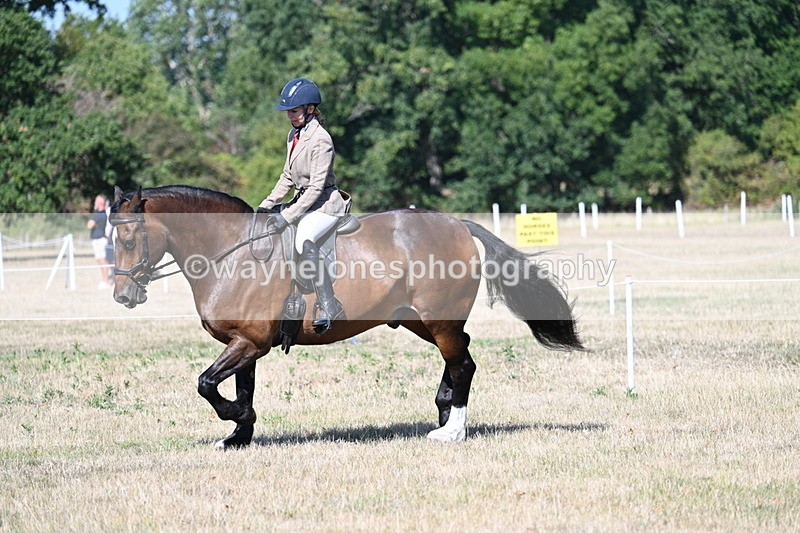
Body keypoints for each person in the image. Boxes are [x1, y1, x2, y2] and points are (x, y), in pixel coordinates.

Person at [258, 78, 352, 333]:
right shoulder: (293, 135)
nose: (290, 115)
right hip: (303, 202)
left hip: (324, 205)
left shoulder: (322, 139)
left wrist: (287, 215)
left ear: (310, 109)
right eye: (288, 111)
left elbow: (316, 188)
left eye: (295, 110)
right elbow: (287, 176)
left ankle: (328, 304)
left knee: (303, 241)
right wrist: (266, 204)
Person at [87, 194, 110, 289]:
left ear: (100, 203)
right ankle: (105, 280)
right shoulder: (103, 214)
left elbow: (89, 225)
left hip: (100, 240)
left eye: (96, 201)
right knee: (101, 260)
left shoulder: (99, 214)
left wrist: (94, 224)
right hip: (99, 240)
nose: (95, 203)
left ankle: (105, 281)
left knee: (102, 261)